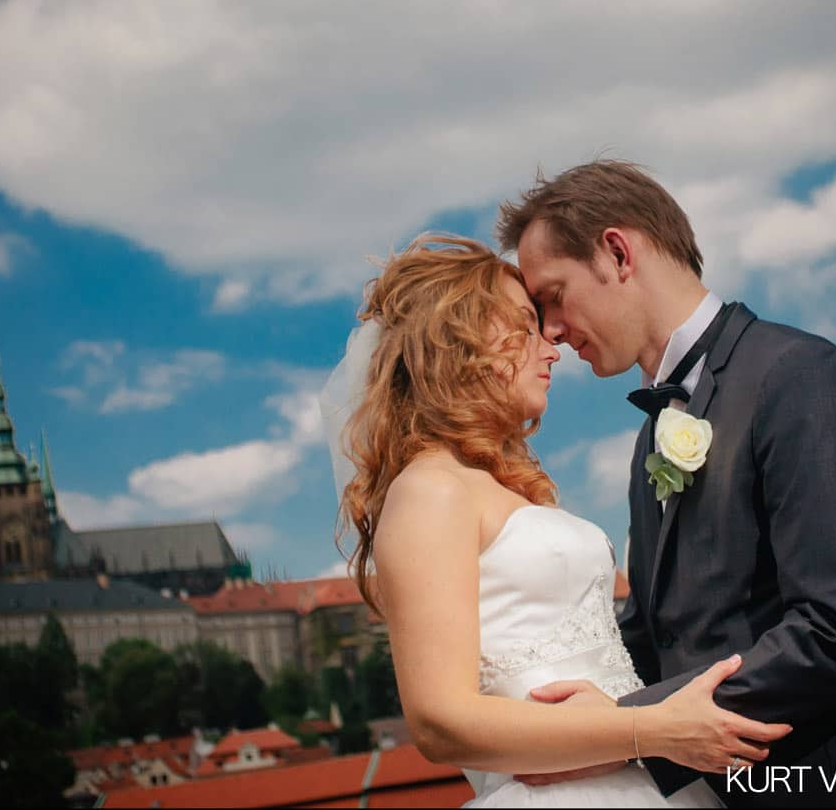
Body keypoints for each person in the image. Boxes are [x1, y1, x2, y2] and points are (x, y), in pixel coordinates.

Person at [494, 160, 836, 807]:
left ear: (617, 252)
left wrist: (629, 732)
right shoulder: (650, 437)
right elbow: (665, 629)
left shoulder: (802, 376)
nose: (549, 330)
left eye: (552, 295)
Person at [323, 233, 790, 808]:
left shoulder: (493, 486)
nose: (551, 346)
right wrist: (652, 731)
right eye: (524, 324)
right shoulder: (428, 490)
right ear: (456, 343)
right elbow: (439, 722)